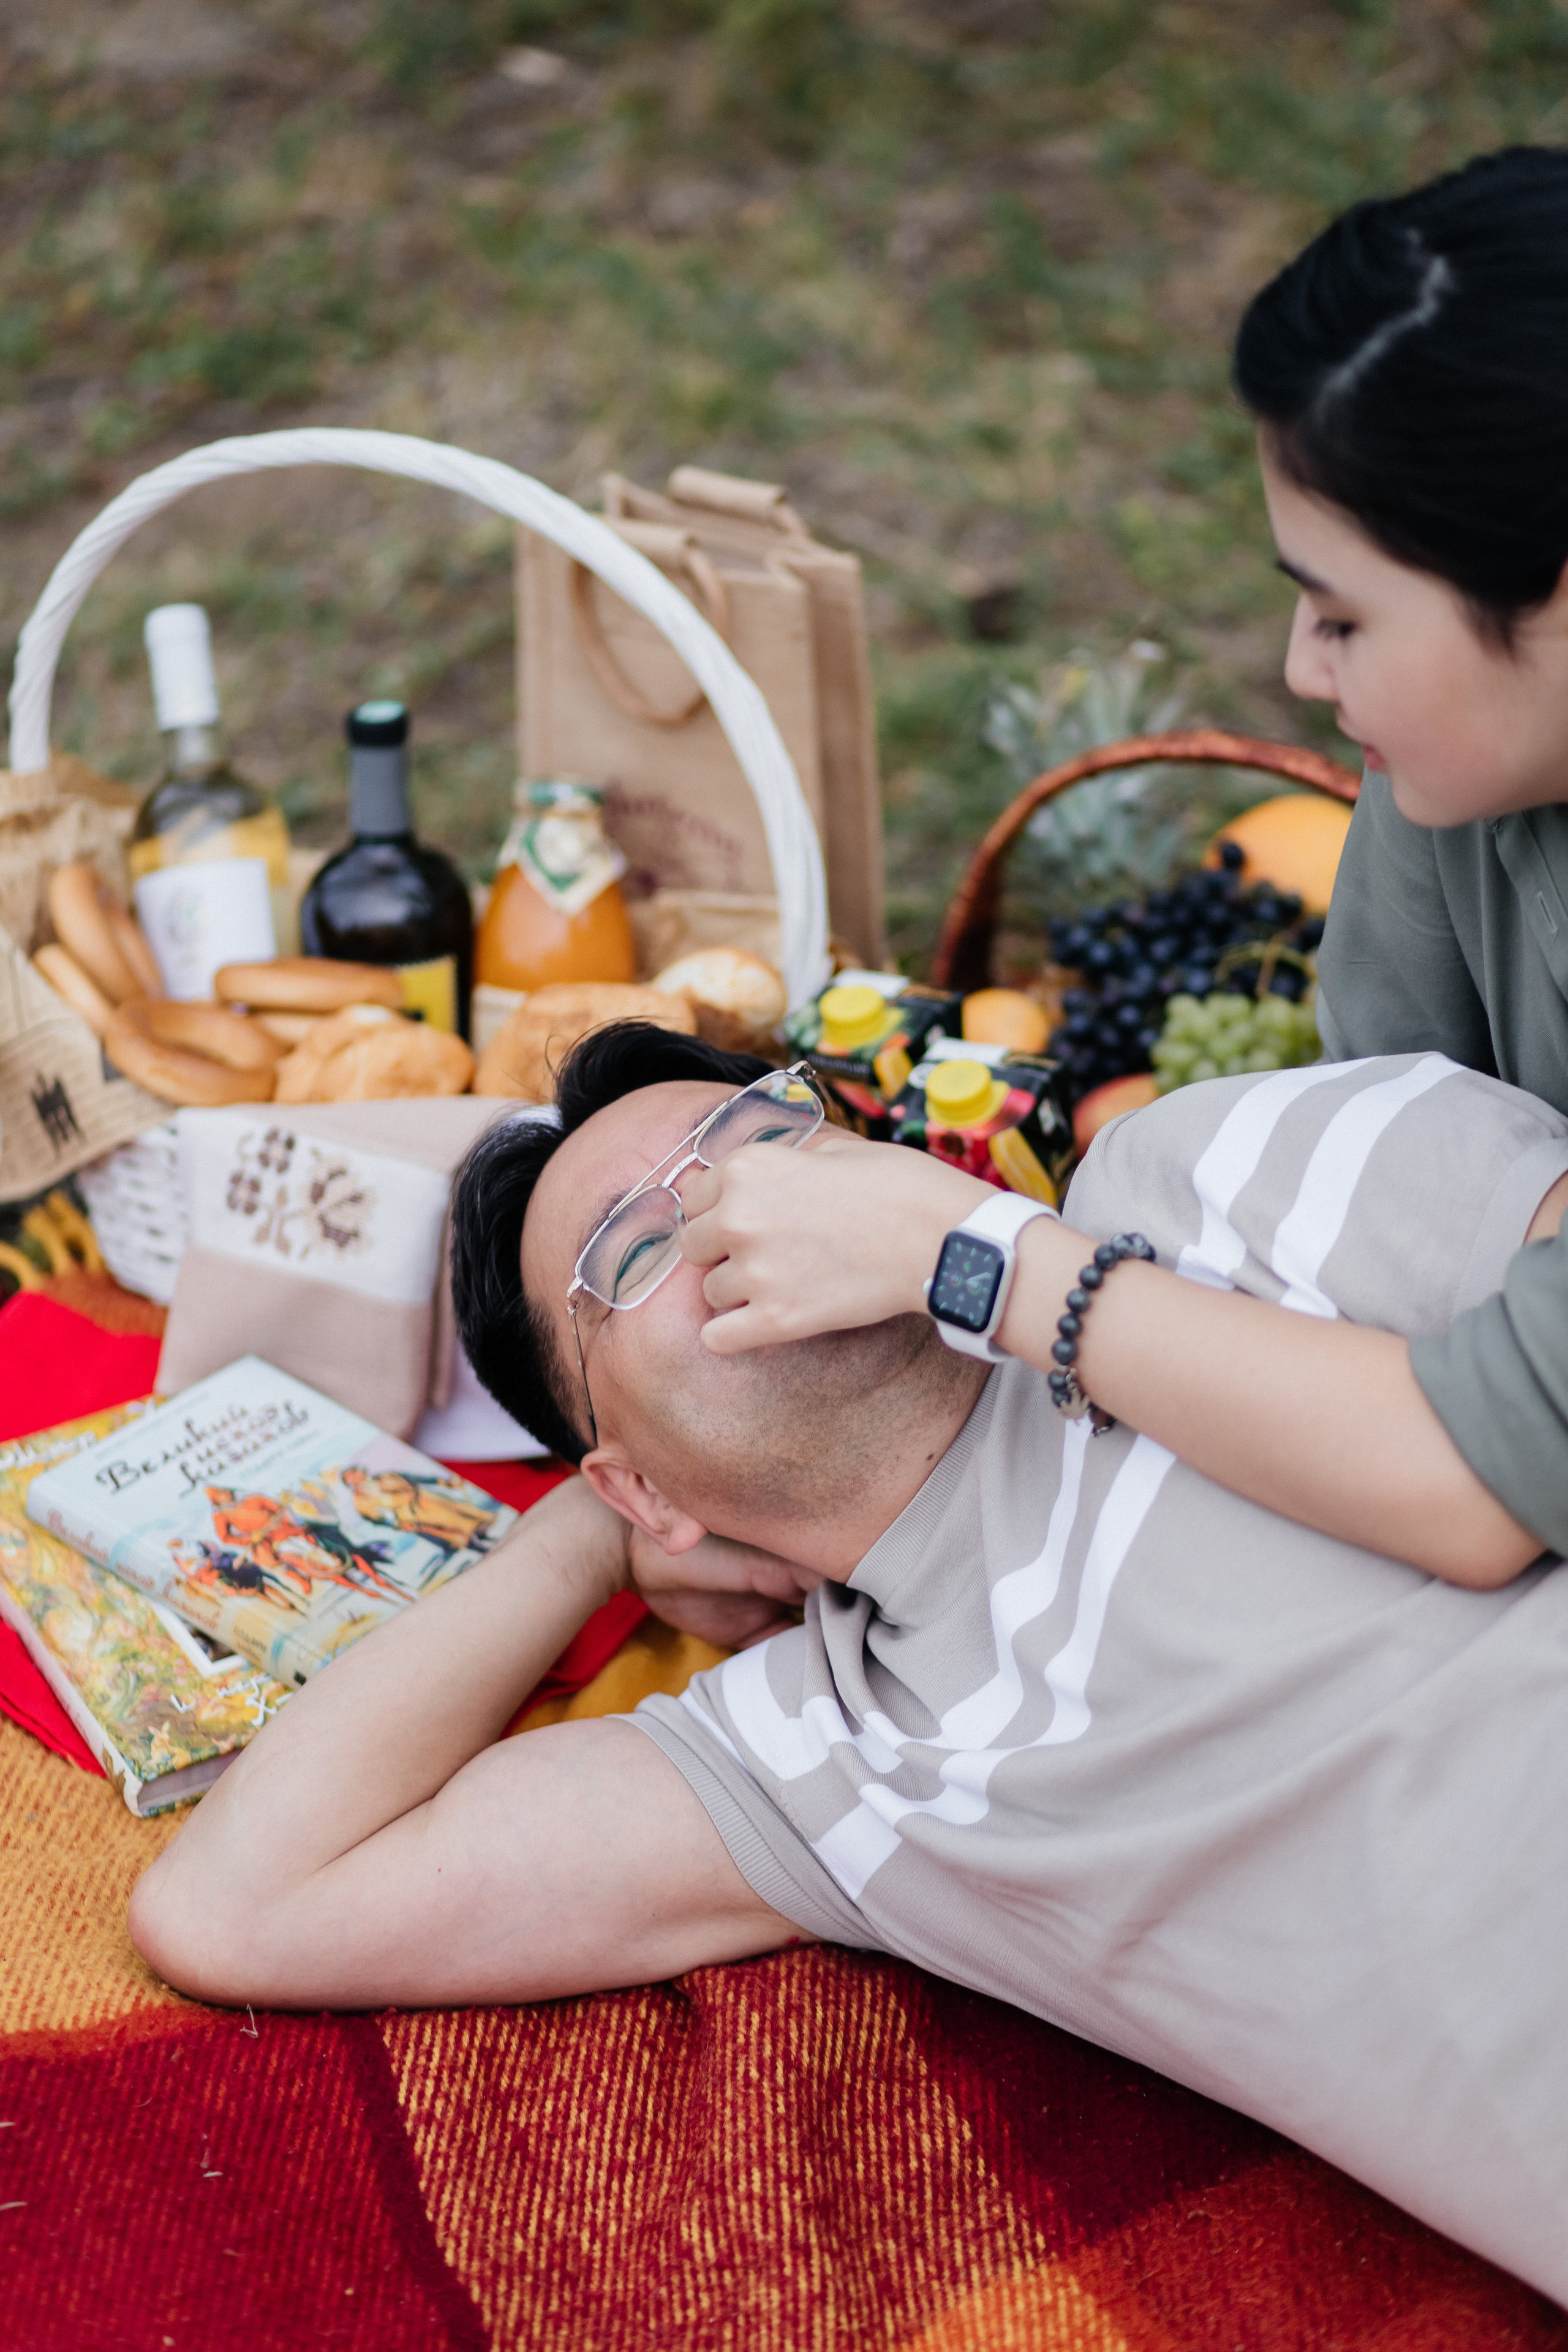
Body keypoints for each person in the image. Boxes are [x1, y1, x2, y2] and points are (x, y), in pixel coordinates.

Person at [129, 1026, 1568, 2302]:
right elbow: (241, 1904)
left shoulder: (1208, 1184)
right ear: (646, 1490)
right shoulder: (843, 1754)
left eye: (762, 1142)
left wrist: (989, 1260)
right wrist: (576, 1543)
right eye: (626, 1254)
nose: (724, 1215)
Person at [1232, 141, 1568, 1574]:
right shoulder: (1452, 786)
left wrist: (1007, 1278)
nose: (1297, 668)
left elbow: (1489, 1478)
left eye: (1344, 617)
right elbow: (1358, 1192)